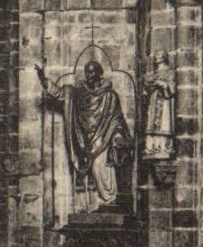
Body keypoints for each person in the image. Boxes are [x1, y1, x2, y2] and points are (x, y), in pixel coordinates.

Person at [36, 57, 133, 209]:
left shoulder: (110, 95)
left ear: (100, 74)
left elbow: (117, 119)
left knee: (100, 166)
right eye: (87, 72)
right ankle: (92, 204)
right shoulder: (78, 93)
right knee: (87, 171)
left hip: (103, 138)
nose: (89, 75)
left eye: (93, 72)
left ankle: (109, 199)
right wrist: (44, 80)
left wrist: (118, 136)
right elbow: (60, 93)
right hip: (83, 139)